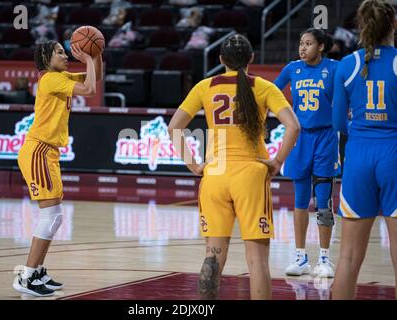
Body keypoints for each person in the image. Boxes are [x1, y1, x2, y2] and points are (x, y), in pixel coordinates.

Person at [168, 34, 300, 299]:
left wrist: (194, 166)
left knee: (213, 257)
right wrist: (276, 162)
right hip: (250, 176)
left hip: (215, 175)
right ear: (251, 58)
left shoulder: (205, 86)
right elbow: (294, 126)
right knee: (258, 262)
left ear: (220, 60)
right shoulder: (263, 86)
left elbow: (174, 127)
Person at [12, 40, 103, 297]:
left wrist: (95, 55)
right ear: (46, 58)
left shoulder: (60, 76)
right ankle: (27, 277)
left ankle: (37, 271)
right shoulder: (50, 79)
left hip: (47, 152)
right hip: (38, 150)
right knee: (51, 215)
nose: (65, 55)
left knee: (55, 216)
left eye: (65, 51)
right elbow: (88, 89)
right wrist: (88, 58)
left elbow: (95, 80)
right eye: (60, 52)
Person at [331, 0, 397, 299]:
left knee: (347, 258)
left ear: (361, 27)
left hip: (357, 156)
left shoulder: (347, 64)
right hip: (393, 154)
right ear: (393, 25)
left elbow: (338, 124)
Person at [274, 28, 339, 278]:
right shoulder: (292, 68)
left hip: (325, 138)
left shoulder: (334, 68)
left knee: (323, 202)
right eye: (301, 43)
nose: (303, 48)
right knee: (300, 201)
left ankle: (325, 258)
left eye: (309, 43)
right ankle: (300, 257)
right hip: (300, 138)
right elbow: (271, 94)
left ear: (321, 47)